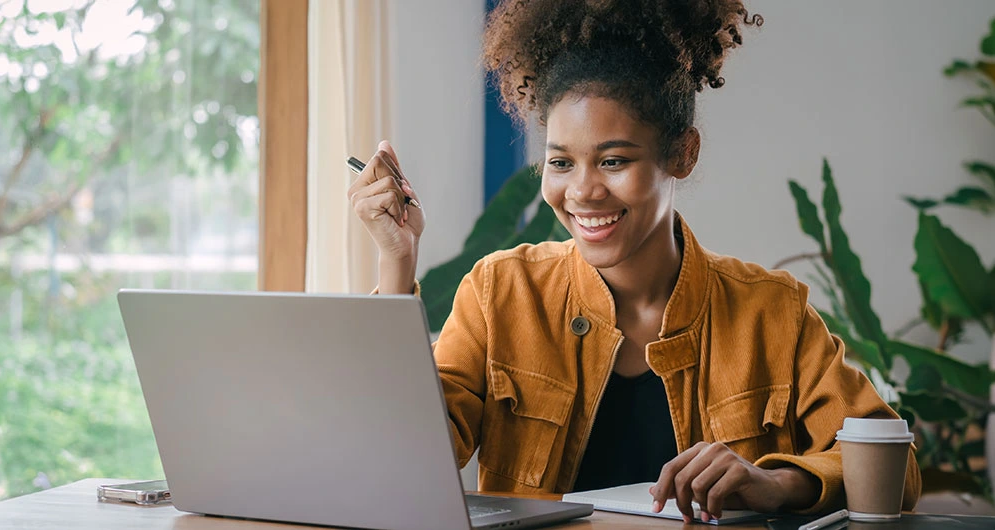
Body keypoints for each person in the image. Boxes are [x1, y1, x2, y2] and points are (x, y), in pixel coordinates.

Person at [346, 0, 920, 523]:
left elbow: (897, 471)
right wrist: (396, 264)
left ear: (682, 153)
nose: (584, 192)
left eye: (614, 161)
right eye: (562, 163)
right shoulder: (500, 294)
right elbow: (396, 458)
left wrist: (776, 482)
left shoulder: (771, 312)